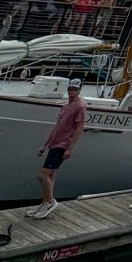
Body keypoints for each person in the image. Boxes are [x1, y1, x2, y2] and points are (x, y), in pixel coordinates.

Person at [28, 78, 87, 219]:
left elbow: (79, 129)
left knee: (43, 175)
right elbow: (57, 126)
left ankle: (50, 202)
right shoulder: (66, 106)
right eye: (70, 89)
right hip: (55, 143)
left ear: (79, 90)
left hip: (63, 144)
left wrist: (70, 148)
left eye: (75, 89)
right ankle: (44, 203)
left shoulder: (80, 106)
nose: (72, 91)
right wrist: (45, 144)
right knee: (51, 175)